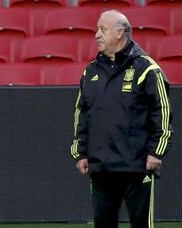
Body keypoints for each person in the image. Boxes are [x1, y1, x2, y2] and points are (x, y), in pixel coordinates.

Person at [70, 10, 172, 228]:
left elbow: (162, 112)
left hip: (137, 166)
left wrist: (156, 152)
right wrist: (81, 152)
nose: (96, 34)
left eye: (102, 29)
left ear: (120, 32)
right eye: (97, 29)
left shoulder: (147, 69)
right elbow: (81, 113)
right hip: (101, 168)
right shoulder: (90, 71)